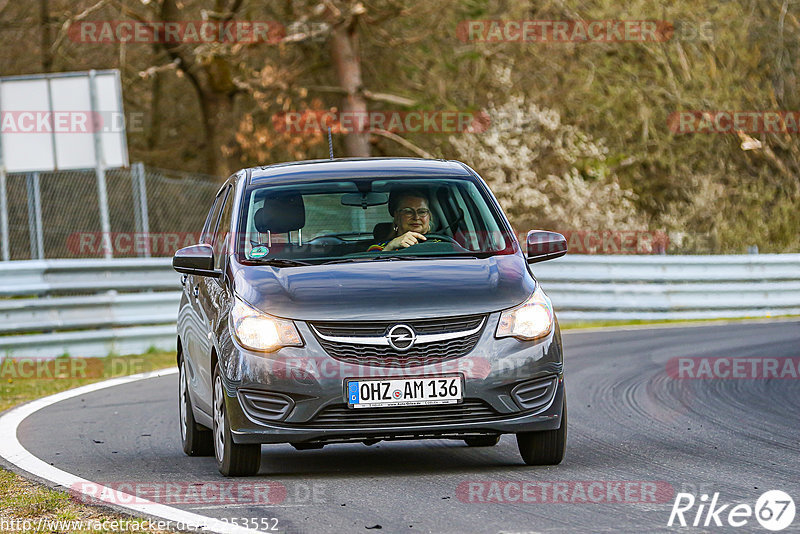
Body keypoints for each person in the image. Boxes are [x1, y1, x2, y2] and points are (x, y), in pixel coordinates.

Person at [368, 189, 438, 252]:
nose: (416, 217)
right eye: (408, 211)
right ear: (397, 216)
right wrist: (390, 247)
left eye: (422, 212)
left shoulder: (441, 244)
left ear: (429, 216)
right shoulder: (379, 248)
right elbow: (371, 265)